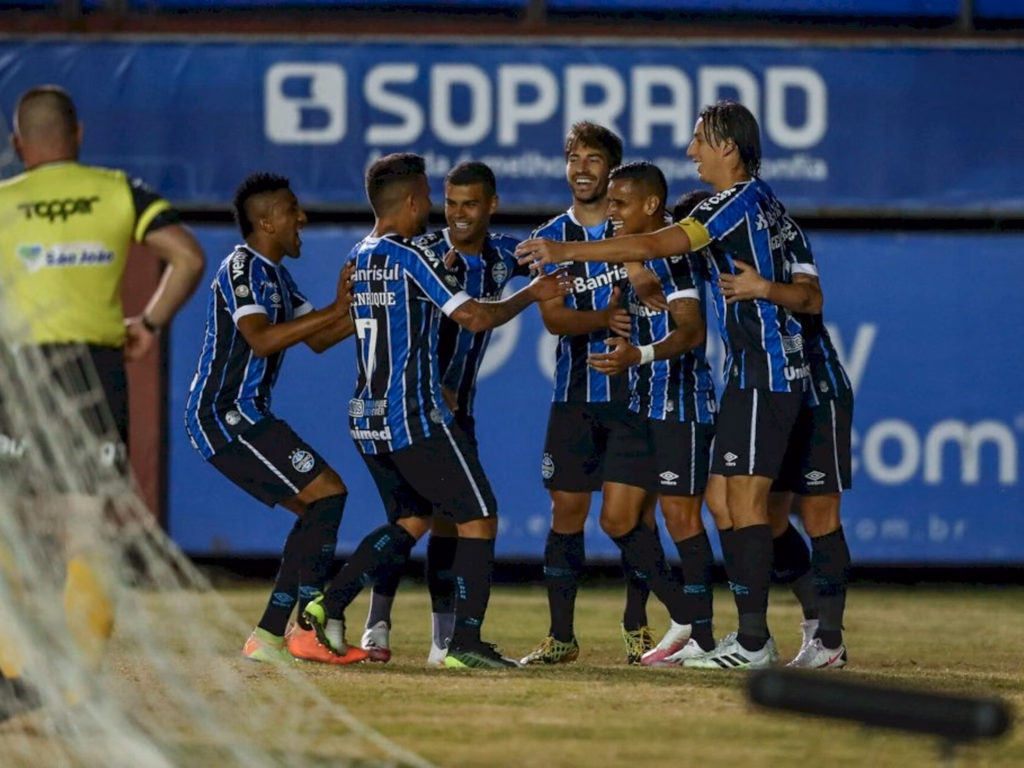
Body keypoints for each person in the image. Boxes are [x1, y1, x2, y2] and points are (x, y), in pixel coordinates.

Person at [517, 100, 812, 670]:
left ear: (727, 145)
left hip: (719, 389)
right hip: (670, 396)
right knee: (637, 516)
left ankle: (746, 637)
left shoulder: (723, 210)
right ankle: (706, 624)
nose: (690, 150)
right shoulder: (748, 209)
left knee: (731, 509)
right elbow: (645, 253)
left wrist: (576, 257)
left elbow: (684, 306)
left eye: (699, 139)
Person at [302, 153, 572, 670]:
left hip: (368, 416)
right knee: (479, 517)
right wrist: (532, 293)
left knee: (412, 517)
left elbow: (332, 333)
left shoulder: (362, 255)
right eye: (433, 199)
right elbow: (471, 316)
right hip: (416, 414)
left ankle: (327, 604)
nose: (439, 210)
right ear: (410, 202)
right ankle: (461, 644)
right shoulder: (413, 255)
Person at [0, 85, 206, 701]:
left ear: (17, 144)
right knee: (87, 525)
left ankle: (10, 674)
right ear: (79, 136)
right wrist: (148, 323)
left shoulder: (4, 200)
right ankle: (75, 688)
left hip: (17, 371)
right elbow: (188, 258)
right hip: (93, 370)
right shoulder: (120, 191)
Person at [184, 172, 366, 666]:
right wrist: (335, 307)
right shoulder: (241, 267)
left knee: (320, 506)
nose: (302, 218)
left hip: (247, 415)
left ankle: (270, 637)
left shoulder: (278, 276)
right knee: (327, 494)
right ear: (266, 220)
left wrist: (379, 308)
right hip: (223, 415)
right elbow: (262, 339)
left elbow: (322, 336)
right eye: (292, 210)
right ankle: (305, 628)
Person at [359, 161, 533, 666]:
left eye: (469, 205)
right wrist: (430, 386)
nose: (456, 216)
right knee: (411, 519)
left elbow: (557, 257)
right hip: (418, 410)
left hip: (461, 412)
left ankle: (443, 640)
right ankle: (378, 621)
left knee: (446, 525)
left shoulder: (504, 255)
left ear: (491, 206)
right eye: (450, 204)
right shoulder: (423, 254)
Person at [519, 121, 657, 667]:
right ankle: (561, 637)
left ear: (612, 169)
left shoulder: (639, 233)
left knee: (636, 520)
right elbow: (554, 319)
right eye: (573, 158)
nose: (581, 168)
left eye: (594, 159)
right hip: (574, 397)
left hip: (634, 395)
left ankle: (638, 629)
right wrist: (603, 316)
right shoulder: (551, 236)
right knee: (566, 510)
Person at [586, 167, 719, 666]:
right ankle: (685, 613)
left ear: (650, 206)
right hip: (639, 404)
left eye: (620, 204)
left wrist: (636, 355)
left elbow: (691, 332)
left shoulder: (676, 257)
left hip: (680, 402)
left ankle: (703, 637)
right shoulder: (629, 248)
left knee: (680, 515)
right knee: (616, 518)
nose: (612, 212)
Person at [718, 213, 853, 668]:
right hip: (774, 395)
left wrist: (764, 288)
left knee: (819, 513)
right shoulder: (736, 250)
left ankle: (829, 640)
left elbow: (811, 299)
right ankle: (814, 618)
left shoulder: (781, 240)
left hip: (817, 390)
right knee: (767, 516)